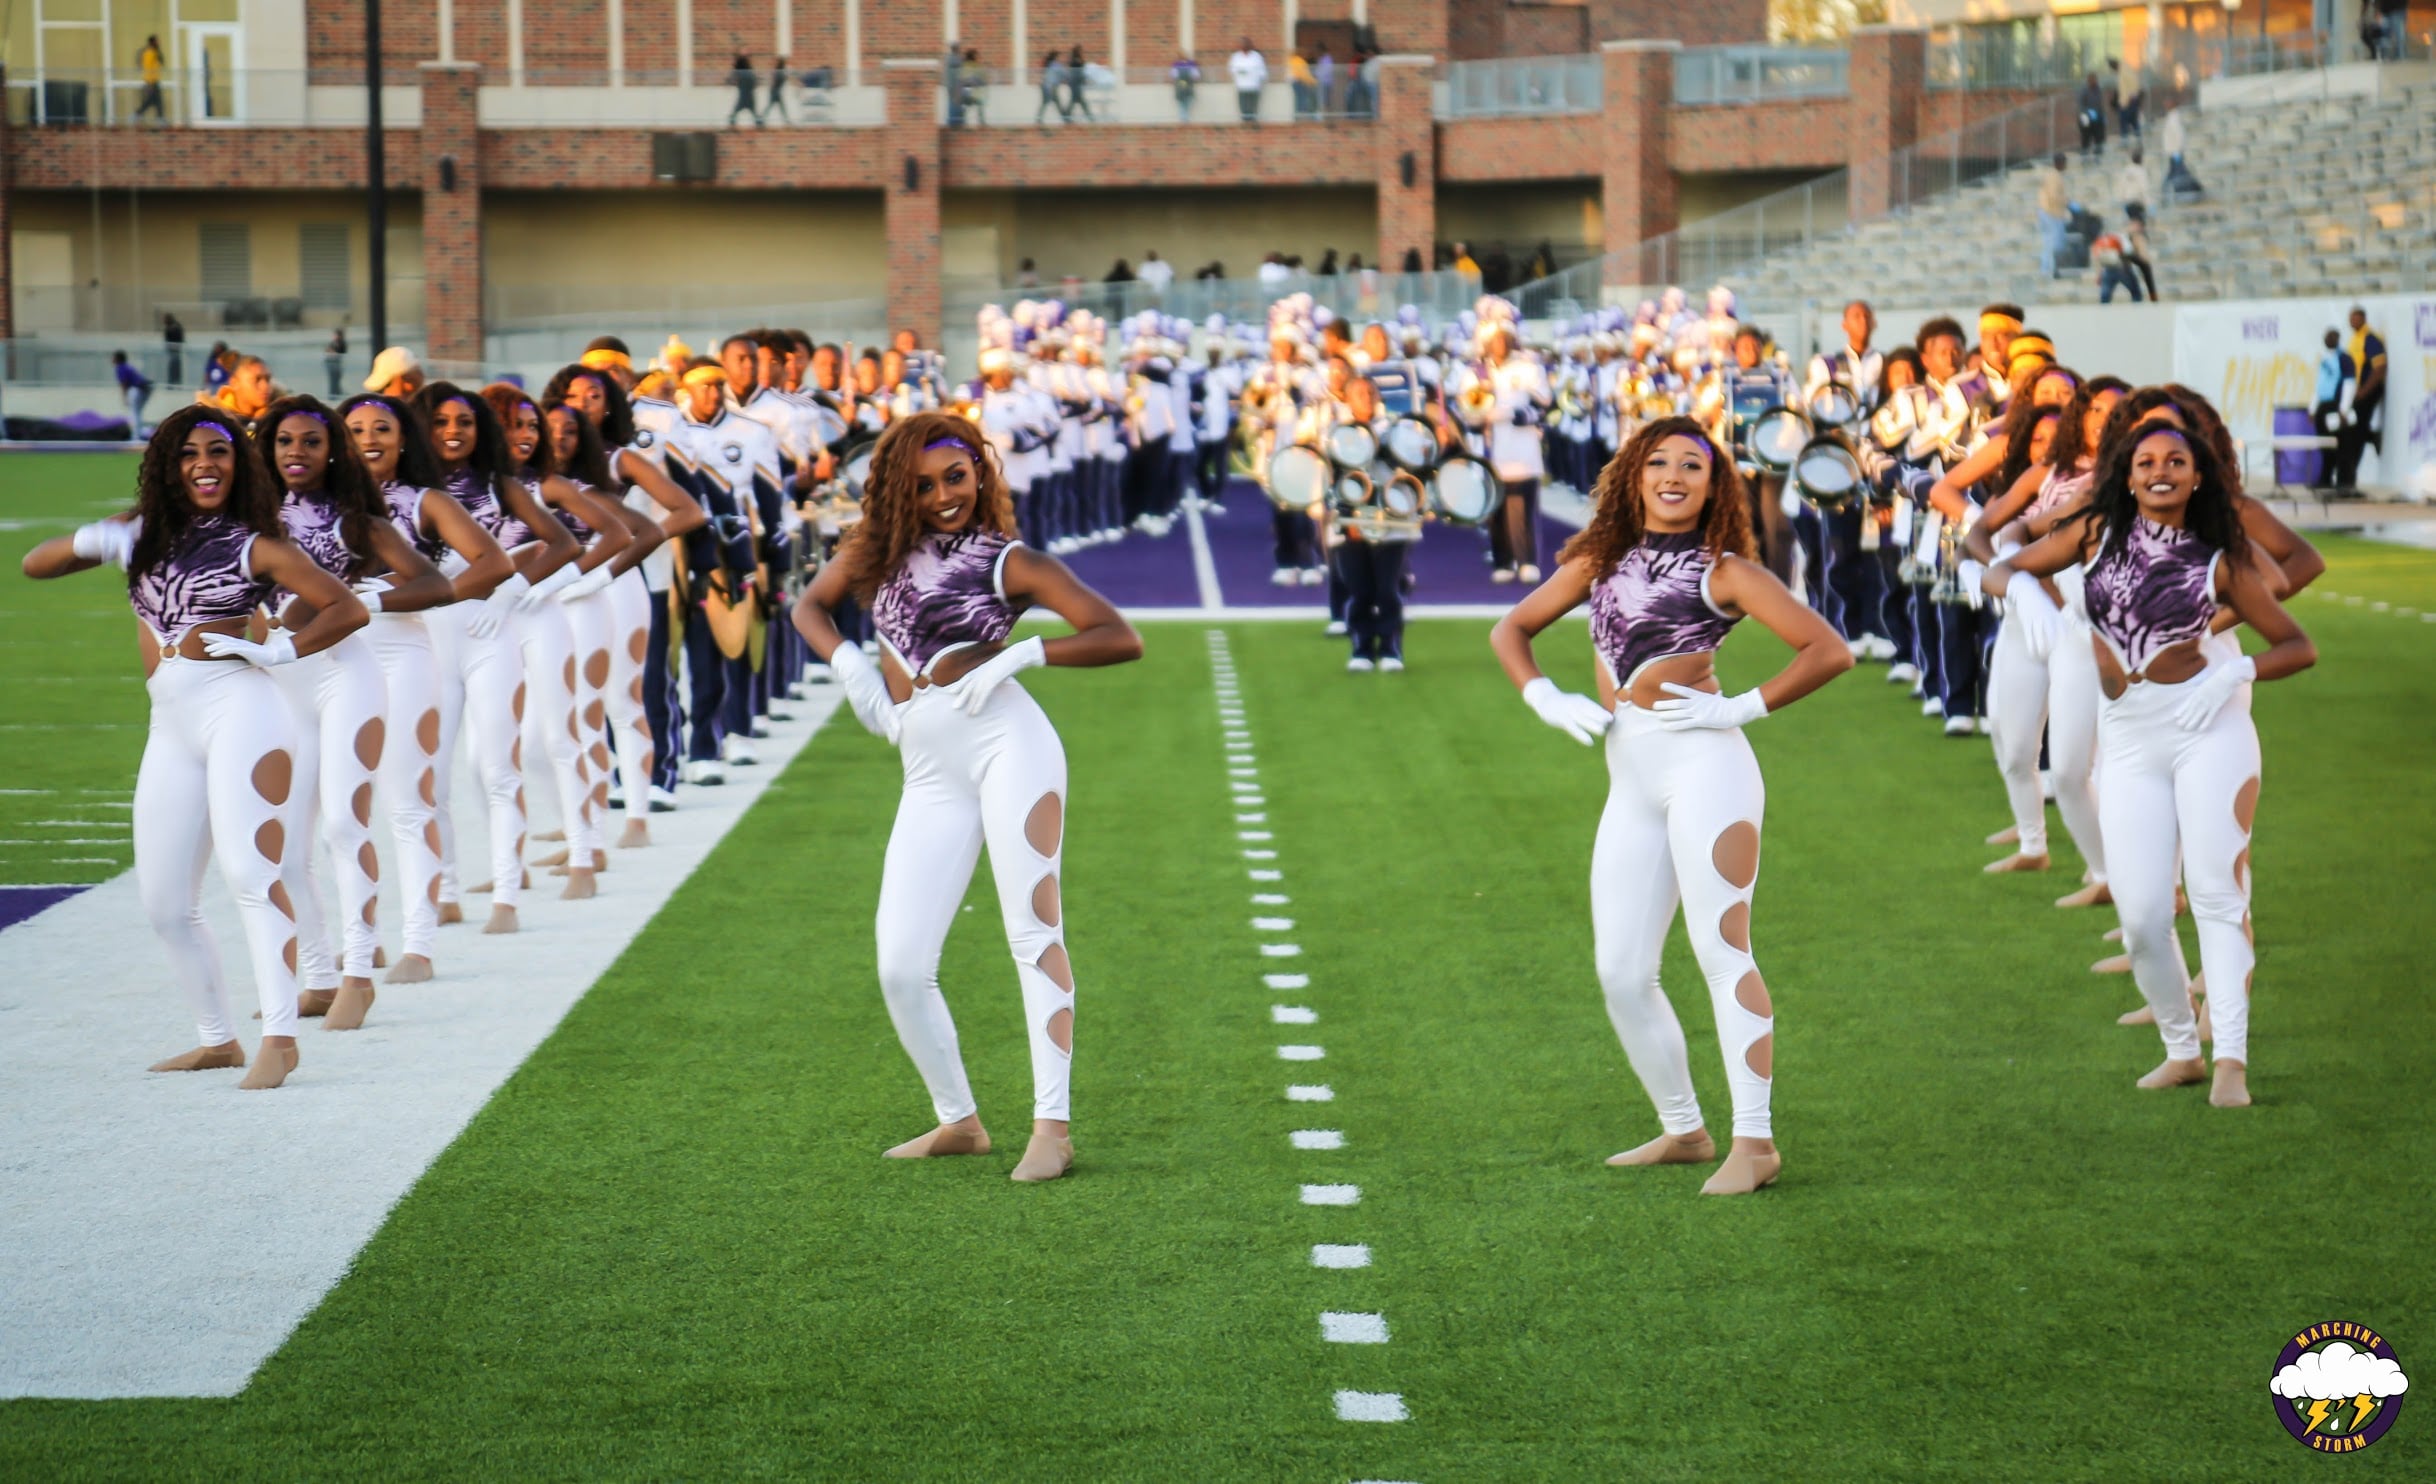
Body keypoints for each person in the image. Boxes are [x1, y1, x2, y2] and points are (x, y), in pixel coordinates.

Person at [1488, 417, 1854, 1194]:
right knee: (1621, 971)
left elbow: (1828, 650)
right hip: (1632, 778)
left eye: (1694, 464)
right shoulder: (1598, 559)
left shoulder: (1726, 571)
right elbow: (1511, 629)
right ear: (1633, 474)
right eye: (1658, 461)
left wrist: (1741, 708)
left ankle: (1755, 1144)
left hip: (1708, 770)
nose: (1674, 475)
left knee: (1723, 953)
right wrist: (1542, 693)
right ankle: (1684, 1128)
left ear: (1715, 486)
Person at [791, 411, 1144, 1184]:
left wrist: (1025, 654)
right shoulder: (871, 554)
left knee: (1032, 931)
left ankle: (1052, 1128)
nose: (944, 494)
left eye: (956, 476)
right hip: (926, 765)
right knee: (899, 964)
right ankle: (960, 1121)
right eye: (922, 485)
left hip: (1008, 744)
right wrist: (851, 667)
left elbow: (1119, 635)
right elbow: (807, 607)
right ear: (897, 492)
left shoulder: (1010, 561)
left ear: (981, 472)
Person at [20, 406, 370, 1088]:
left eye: (219, 451)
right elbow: (37, 564)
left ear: (239, 465)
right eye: (188, 454)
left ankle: (280, 1035)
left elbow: (345, 607)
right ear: (166, 467)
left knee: (250, 873)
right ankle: (217, 1039)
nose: (205, 464)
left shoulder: (255, 544)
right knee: (163, 901)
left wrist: (280, 646)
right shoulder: (140, 533)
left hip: (243, 711)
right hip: (171, 725)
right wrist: (106, 536)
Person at [1986, 421, 2315, 1109]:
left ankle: (2231, 1061)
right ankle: (2180, 1051)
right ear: (2127, 476)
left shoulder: (2217, 555)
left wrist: (2231, 676)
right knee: (2140, 917)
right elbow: (2001, 560)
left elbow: (2296, 643)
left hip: (2209, 731)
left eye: (2176, 461)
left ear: (2199, 478)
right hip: (2130, 742)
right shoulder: (2092, 535)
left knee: (2218, 899)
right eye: (2145, 462)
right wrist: (2019, 593)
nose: (2160, 470)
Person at [252, 394, 452, 1030]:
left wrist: (369, 594)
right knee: (282, 843)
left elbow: (435, 584)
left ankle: (358, 974)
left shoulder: (355, 520)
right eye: (285, 441)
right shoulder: (249, 519)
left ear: (331, 448)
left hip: (349, 677)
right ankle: (316, 976)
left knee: (344, 823)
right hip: (282, 684)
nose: (297, 453)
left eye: (311, 441)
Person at [338, 391, 515, 979]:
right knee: (343, 815)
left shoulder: (424, 502)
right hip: (335, 663)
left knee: (410, 802)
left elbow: (493, 563)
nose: (369, 438)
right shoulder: (317, 507)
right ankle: (363, 941)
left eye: (382, 428)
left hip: (410, 654)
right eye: (356, 429)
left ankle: (419, 945)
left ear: (403, 437)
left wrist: (402, 598)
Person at [1451, 318, 1553, 584]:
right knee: (1494, 508)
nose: (1500, 343)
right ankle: (1502, 560)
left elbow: (1544, 405)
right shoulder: (1474, 372)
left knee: (1522, 507)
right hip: (1490, 448)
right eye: (1494, 339)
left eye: (1504, 337)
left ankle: (1527, 559)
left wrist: (1517, 414)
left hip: (1521, 447)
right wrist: (1477, 415)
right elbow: (1465, 411)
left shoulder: (1528, 368)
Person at [2342, 306, 2387, 489]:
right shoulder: (2355, 339)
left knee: (2356, 432)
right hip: (2356, 391)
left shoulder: (2371, 339)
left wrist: (2364, 391)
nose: (2352, 321)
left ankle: (2350, 478)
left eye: (2356, 318)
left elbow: (2380, 368)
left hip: (2367, 391)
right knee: (2354, 430)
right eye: (2350, 318)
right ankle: (2371, 436)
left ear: (2363, 318)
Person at [2036, 153, 2072, 280]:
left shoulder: (2052, 175)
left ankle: (2047, 269)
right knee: (2054, 244)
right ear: (2060, 163)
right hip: (2051, 212)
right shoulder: (2054, 176)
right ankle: (2048, 270)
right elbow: (2053, 196)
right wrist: (2067, 201)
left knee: (2049, 243)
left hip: (2048, 211)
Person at [114, 351, 153, 436]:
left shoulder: (120, 367)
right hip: (145, 388)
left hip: (137, 389)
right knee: (137, 412)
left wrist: (124, 398)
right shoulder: (127, 367)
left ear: (117, 359)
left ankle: (136, 436)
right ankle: (139, 433)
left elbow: (123, 384)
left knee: (134, 413)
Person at [136, 35, 167, 123]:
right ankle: (137, 114)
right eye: (157, 41)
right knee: (152, 100)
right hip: (151, 81)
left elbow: (159, 63)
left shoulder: (154, 52)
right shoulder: (149, 53)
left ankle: (160, 118)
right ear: (152, 42)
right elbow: (148, 67)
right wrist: (150, 81)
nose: (159, 43)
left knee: (157, 101)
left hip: (154, 80)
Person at [2077, 73, 2107, 158]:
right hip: (2086, 117)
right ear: (2089, 80)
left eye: (2095, 79)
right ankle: (2085, 154)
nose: (2095, 81)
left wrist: (2103, 115)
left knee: (2099, 136)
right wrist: (2088, 113)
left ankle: (2098, 154)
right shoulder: (2084, 90)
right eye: (2093, 80)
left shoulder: (2098, 89)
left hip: (2097, 117)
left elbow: (2100, 103)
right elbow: (2081, 105)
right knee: (2085, 136)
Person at [728, 53, 762, 127]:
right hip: (749, 96)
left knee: (736, 111)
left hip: (743, 96)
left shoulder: (741, 74)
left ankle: (732, 121)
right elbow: (754, 83)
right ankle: (759, 122)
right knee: (754, 112)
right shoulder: (749, 73)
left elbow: (734, 81)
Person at [1037, 50, 1069, 124]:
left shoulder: (1050, 64)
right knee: (1054, 103)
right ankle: (1066, 119)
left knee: (1046, 103)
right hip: (1051, 87)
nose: (1061, 58)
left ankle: (1039, 119)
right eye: (1060, 57)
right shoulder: (1056, 65)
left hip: (1045, 86)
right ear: (1056, 57)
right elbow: (1065, 74)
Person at [1066, 46, 1095, 121]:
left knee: (1075, 100)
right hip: (1076, 84)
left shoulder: (1075, 60)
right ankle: (1090, 117)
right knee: (1079, 100)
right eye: (1081, 51)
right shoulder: (1076, 61)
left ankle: (1067, 117)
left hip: (1075, 83)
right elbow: (1079, 73)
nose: (1082, 53)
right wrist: (1085, 80)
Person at [1288, 51, 1317, 119]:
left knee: (1299, 99)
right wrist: (1313, 81)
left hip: (1295, 81)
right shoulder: (1299, 61)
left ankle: (1299, 115)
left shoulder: (1292, 60)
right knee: (1303, 99)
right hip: (1300, 82)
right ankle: (1304, 115)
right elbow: (1304, 74)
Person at [1171, 55, 1200, 121]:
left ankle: (1184, 117)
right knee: (1186, 102)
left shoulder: (1176, 66)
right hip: (1188, 87)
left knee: (1182, 103)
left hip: (1180, 87)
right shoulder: (1191, 66)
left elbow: (1173, 76)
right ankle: (1185, 117)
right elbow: (1196, 76)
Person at [763, 56, 791, 125]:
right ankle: (786, 120)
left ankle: (786, 120)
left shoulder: (779, 71)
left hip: (775, 91)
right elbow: (774, 81)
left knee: (775, 106)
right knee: (774, 106)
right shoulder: (779, 72)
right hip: (775, 91)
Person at [324, 327, 349, 398]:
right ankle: (332, 393)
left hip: (338, 364)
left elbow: (342, 352)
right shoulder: (332, 343)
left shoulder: (342, 343)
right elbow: (327, 350)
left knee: (336, 379)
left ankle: (337, 392)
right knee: (332, 380)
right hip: (330, 364)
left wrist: (334, 352)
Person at [162, 313, 185, 384]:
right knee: (175, 367)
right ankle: (175, 382)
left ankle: (173, 382)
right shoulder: (176, 326)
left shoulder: (172, 328)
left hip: (174, 350)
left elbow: (169, 338)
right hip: (175, 350)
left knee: (173, 367)